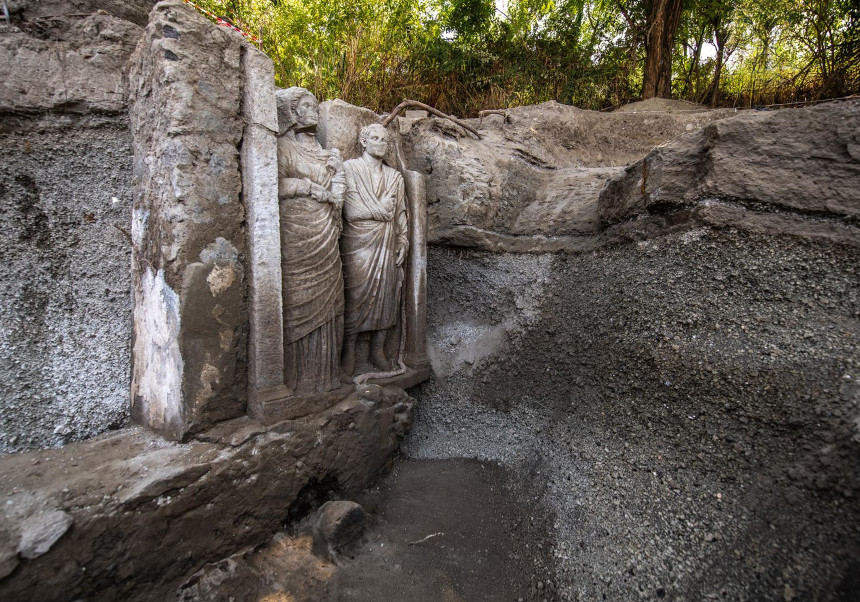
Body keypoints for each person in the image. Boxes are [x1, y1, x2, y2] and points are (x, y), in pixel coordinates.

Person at [276, 87, 346, 394]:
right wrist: (306, 186)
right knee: (299, 299)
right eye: (307, 105)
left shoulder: (326, 153)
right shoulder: (282, 148)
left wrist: (337, 173)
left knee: (329, 300)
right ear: (292, 113)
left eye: (316, 105)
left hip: (327, 233)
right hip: (297, 233)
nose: (313, 110)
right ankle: (298, 379)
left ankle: (326, 376)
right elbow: (273, 184)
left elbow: (340, 194)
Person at [340, 124, 409, 376]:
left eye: (385, 139)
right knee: (354, 295)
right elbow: (351, 212)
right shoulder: (350, 169)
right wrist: (380, 211)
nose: (381, 143)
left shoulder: (395, 177)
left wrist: (403, 240)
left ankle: (377, 350)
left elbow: (399, 213)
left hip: (387, 243)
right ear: (364, 141)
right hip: (357, 243)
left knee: (387, 294)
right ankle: (348, 350)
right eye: (375, 138)